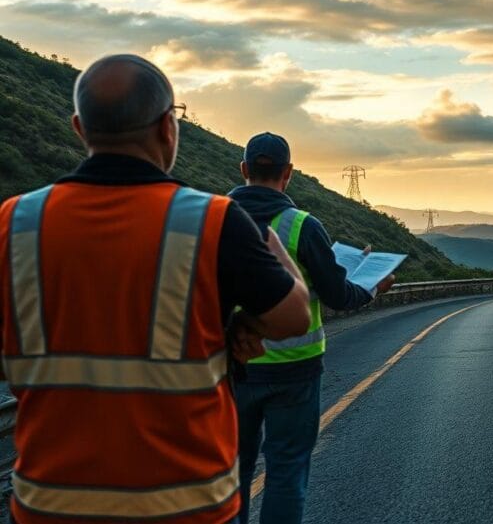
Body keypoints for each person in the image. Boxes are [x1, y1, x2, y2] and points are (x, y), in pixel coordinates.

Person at [0, 55, 312, 524]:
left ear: (79, 128)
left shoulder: (14, 223)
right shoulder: (211, 221)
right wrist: (267, 246)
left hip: (50, 501)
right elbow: (292, 316)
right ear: (169, 128)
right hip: (186, 501)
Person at [228, 132, 395, 524]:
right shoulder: (303, 225)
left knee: (231, 473)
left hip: (231, 366)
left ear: (243, 169)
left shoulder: (214, 218)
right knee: (286, 472)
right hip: (295, 370)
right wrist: (371, 289)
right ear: (288, 173)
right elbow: (337, 295)